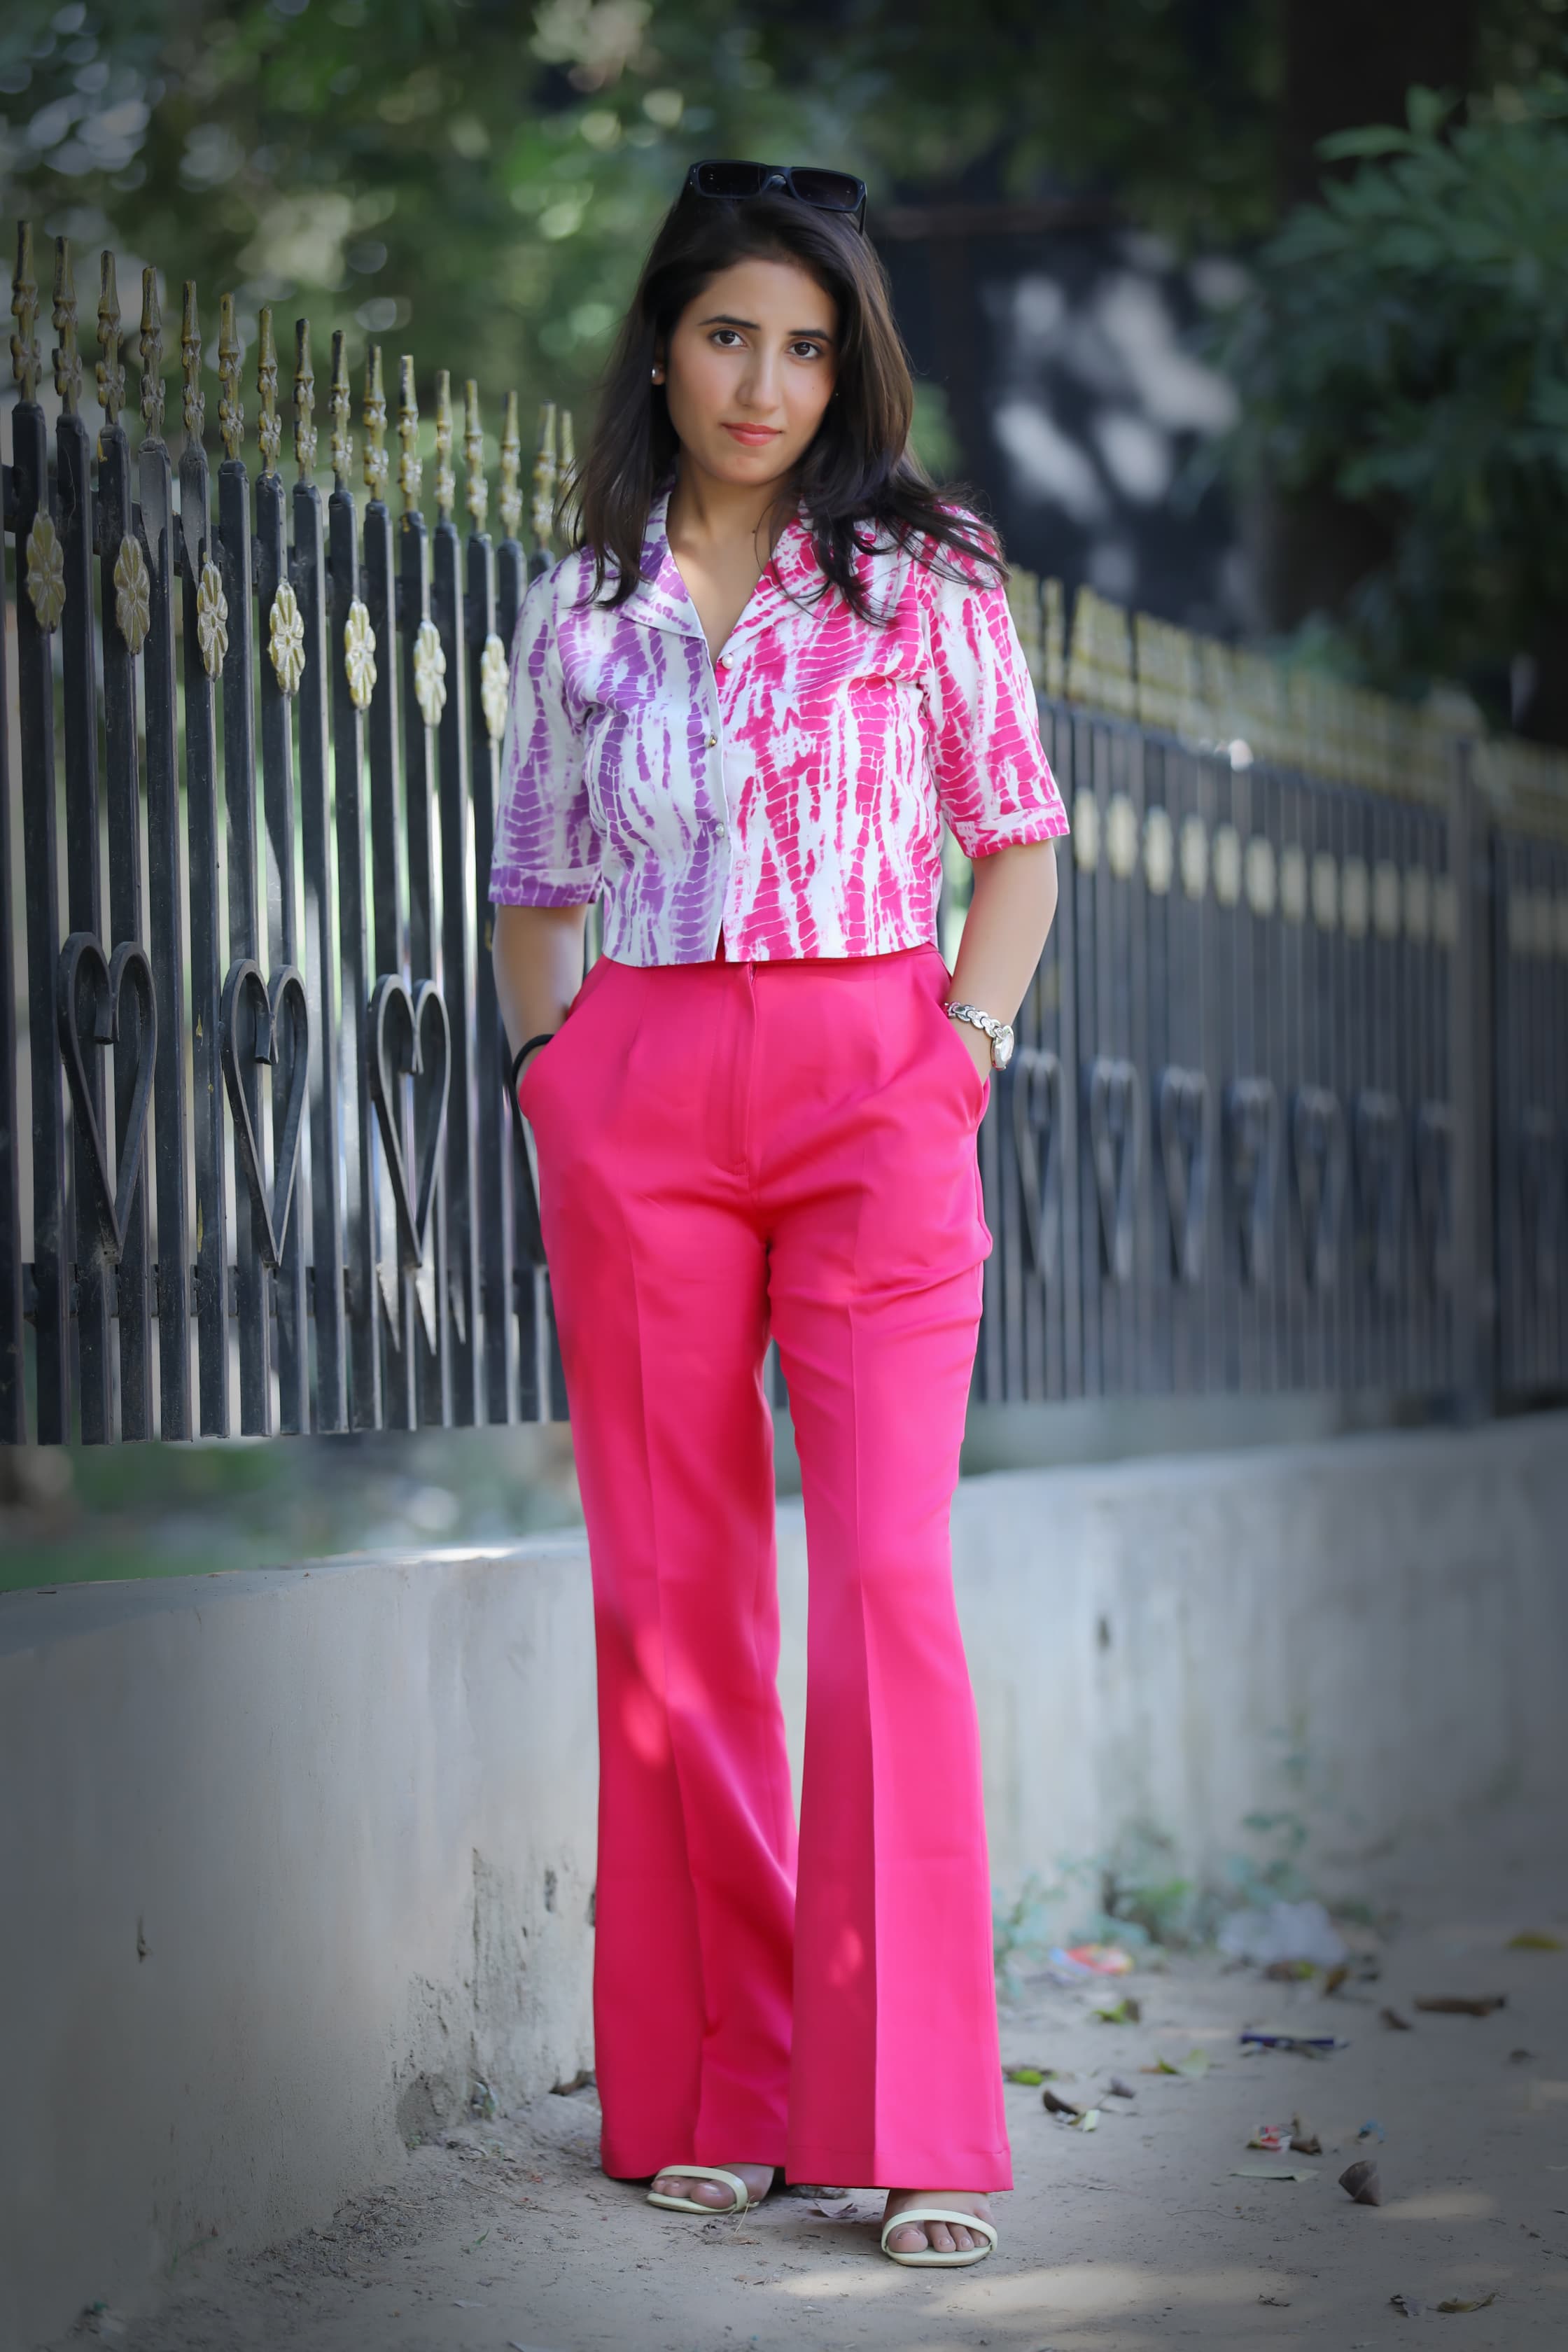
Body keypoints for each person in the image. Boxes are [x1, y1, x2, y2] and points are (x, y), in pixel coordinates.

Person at [489, 158, 1067, 2272]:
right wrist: (561, 1085)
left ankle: (909, 2116)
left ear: (852, 371)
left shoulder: (928, 580)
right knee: (675, 1606)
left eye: (810, 346)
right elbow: (532, 882)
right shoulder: (581, 605)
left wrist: (965, 1053)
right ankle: (717, 2090)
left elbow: (1017, 842)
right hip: (640, 1096)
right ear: (668, 343)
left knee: (885, 1589)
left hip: (874, 1094)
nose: (768, 380)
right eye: (734, 334)